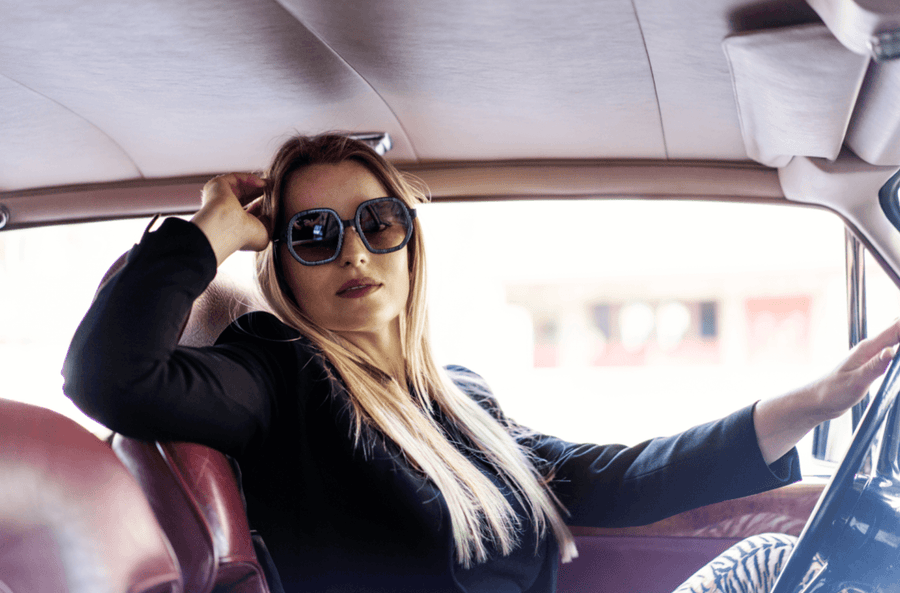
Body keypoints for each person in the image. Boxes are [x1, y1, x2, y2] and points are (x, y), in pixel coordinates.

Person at [63, 133, 900, 593]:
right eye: (313, 234)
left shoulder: (460, 397)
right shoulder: (275, 373)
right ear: (281, 265)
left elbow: (615, 476)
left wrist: (814, 400)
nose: (354, 251)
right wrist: (207, 234)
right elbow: (108, 375)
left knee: (786, 563)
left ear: (409, 242)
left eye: (377, 222)